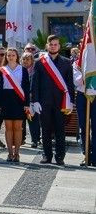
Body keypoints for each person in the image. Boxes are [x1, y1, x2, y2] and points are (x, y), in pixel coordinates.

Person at [31, 35, 74, 165]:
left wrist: (71, 102)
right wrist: (35, 100)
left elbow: (70, 84)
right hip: (44, 102)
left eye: (56, 44)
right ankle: (46, 155)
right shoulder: (39, 62)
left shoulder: (67, 62)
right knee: (45, 130)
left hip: (61, 102)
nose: (53, 46)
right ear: (47, 46)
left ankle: (60, 156)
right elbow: (35, 83)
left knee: (60, 130)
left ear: (59, 46)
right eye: (51, 44)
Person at [0, 47, 29, 163]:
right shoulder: (2, 70)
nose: (10, 57)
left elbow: (26, 87)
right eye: (8, 55)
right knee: (8, 128)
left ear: (17, 57)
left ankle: (17, 153)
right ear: (6, 57)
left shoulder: (23, 70)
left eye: (13, 55)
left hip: (19, 100)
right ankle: (10, 153)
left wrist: (27, 104)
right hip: (6, 100)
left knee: (18, 128)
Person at [22, 51, 41, 148]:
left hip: (32, 100)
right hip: (21, 100)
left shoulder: (35, 71)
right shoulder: (19, 70)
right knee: (21, 120)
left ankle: (35, 140)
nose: (25, 61)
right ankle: (21, 139)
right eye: (24, 59)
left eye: (27, 59)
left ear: (32, 61)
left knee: (33, 121)